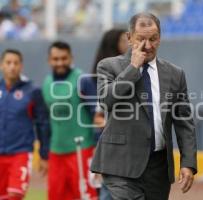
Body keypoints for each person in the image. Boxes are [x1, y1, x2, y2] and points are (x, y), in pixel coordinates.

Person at [91, 12, 198, 200]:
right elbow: (106, 100)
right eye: (141, 39)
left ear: (160, 38)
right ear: (129, 38)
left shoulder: (175, 74)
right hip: (120, 164)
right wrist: (133, 69)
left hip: (158, 167)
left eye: (153, 39)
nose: (147, 46)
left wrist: (188, 162)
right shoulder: (109, 66)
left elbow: (184, 122)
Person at [42, 41, 98, 200]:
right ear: (49, 60)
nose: (60, 62)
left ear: (71, 58)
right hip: (56, 152)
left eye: (64, 58)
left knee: (86, 196)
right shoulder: (46, 83)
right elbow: (46, 122)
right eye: (55, 59)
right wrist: (45, 154)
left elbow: (97, 115)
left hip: (81, 150)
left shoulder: (83, 80)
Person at [0, 49, 49, 200]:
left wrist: (44, 155)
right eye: (8, 63)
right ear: (2, 65)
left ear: (21, 66)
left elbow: (42, 124)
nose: (12, 66)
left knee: (14, 195)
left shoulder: (32, 91)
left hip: (21, 152)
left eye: (16, 63)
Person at [91, 28, 128, 200]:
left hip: (129, 145)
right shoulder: (104, 75)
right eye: (123, 41)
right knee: (108, 191)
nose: (127, 44)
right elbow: (98, 117)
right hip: (109, 145)